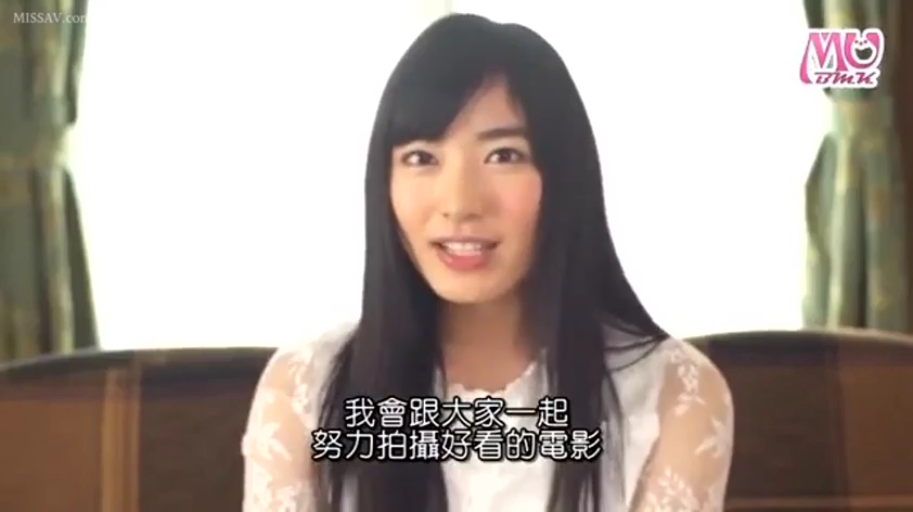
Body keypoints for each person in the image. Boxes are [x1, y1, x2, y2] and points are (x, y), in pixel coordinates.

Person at [241, 13, 733, 512]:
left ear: (566, 177)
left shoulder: (672, 395)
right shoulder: (303, 393)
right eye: (421, 158)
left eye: (503, 155)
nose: (460, 203)